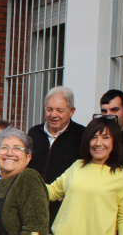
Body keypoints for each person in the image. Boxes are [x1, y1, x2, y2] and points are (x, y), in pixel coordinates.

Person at [27, 86, 85, 227]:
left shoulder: (82, 135)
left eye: (60, 110)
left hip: (64, 209)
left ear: (71, 111)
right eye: (49, 109)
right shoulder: (34, 133)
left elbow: (85, 170)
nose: (53, 115)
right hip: (33, 205)